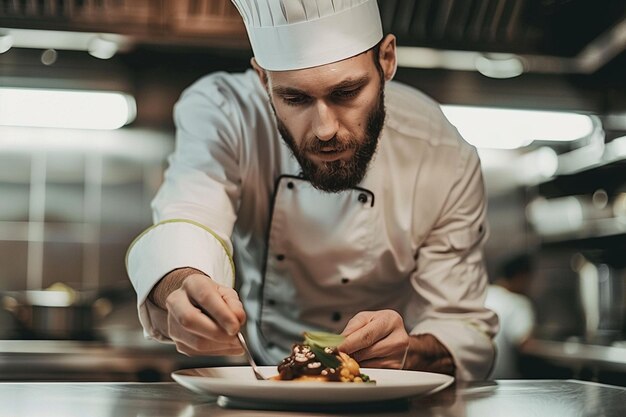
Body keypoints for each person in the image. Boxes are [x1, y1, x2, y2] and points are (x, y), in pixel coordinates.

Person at [126, 0, 498, 380]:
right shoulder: (226, 111)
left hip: (387, 389)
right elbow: (186, 218)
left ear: (386, 60)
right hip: (264, 375)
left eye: (347, 92)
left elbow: (462, 327)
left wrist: (408, 353)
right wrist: (183, 284)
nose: (325, 129)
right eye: (295, 98)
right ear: (262, 79)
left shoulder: (443, 155)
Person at [485, 253, 536, 379]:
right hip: (502, 385)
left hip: (471, 381)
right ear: (521, 277)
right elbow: (526, 344)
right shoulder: (517, 302)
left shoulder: (481, 294)